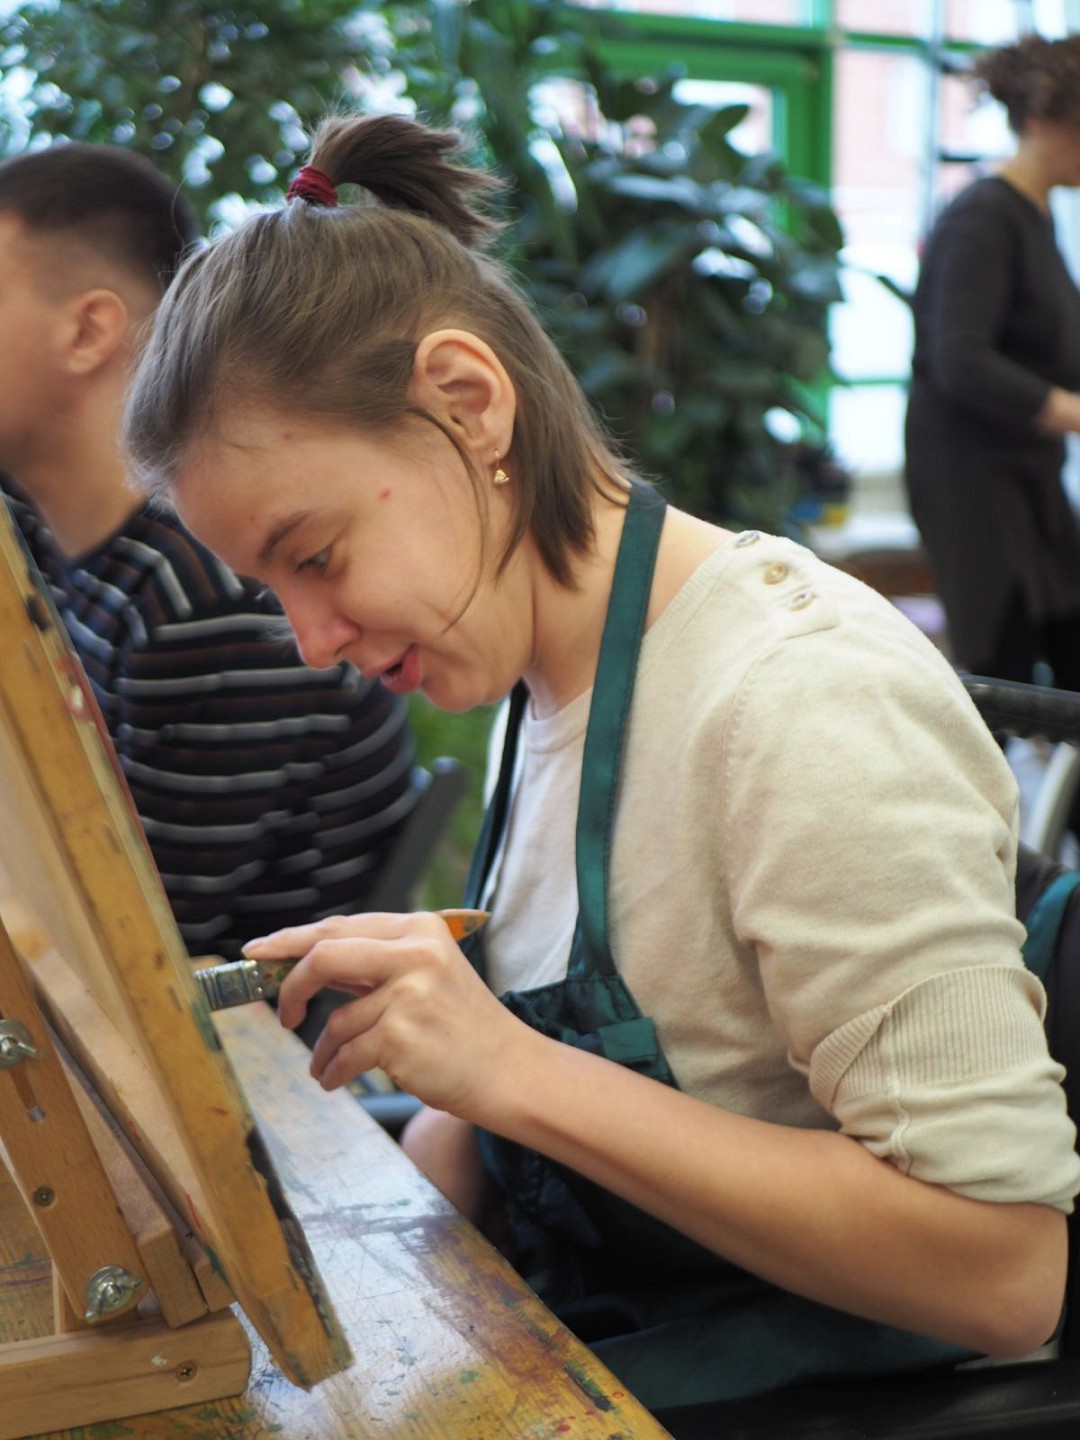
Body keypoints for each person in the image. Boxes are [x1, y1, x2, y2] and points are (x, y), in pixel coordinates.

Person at [122, 114, 1079, 1422]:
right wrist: (424, 1120)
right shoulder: (542, 683)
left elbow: (1005, 1271)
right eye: (271, 588)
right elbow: (546, 1106)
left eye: (318, 556)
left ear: (468, 403)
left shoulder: (796, 702)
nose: (312, 643)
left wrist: (510, 1069)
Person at [0, 142, 417, 961]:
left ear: (88, 331)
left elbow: (124, 951)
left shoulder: (207, 594)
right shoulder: (49, 538)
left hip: (250, 1019)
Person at [905, 34, 1080, 686]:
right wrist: (1071, 413)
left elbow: (1049, 348)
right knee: (1003, 673)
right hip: (974, 484)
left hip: (1030, 476)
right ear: (1039, 121)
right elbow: (961, 359)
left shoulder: (1035, 217)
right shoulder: (983, 217)